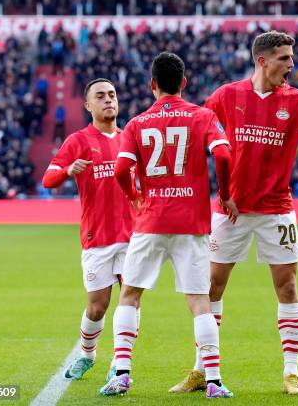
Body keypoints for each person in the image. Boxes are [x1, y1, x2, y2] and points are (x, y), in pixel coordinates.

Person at [171, 30, 298, 396]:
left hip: (276, 211)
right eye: (284, 58)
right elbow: (196, 135)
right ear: (263, 60)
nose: (291, 65)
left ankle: (291, 373)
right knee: (211, 287)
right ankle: (201, 370)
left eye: (291, 58)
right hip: (229, 211)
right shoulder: (225, 96)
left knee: (288, 286)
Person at [100, 52, 238, 398]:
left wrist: (134, 194)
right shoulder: (203, 115)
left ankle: (121, 374)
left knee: (130, 294)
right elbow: (223, 153)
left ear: (152, 85)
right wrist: (224, 194)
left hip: (151, 220)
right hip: (191, 222)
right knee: (199, 301)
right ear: (185, 83)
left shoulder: (136, 124)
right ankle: (215, 381)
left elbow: (120, 170)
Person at [42, 78, 139, 381]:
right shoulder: (78, 141)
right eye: (100, 96)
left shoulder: (131, 139)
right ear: (88, 105)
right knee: (97, 307)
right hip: (96, 237)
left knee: (131, 299)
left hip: (133, 236)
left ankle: (120, 364)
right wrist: (68, 170)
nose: (108, 100)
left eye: (112, 94)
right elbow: (48, 178)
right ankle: (87, 354)